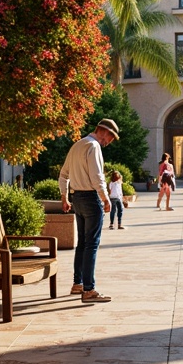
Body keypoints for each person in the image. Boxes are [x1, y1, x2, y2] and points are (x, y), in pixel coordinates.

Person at [58, 118, 119, 303]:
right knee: (91, 244)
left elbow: (63, 174)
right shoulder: (93, 146)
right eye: (110, 137)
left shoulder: (77, 145)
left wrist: (64, 197)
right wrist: (105, 198)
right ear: (104, 131)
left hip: (77, 198)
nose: (109, 142)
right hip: (91, 199)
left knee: (83, 243)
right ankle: (89, 289)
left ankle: (78, 283)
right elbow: (97, 176)